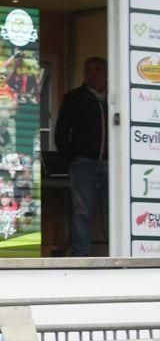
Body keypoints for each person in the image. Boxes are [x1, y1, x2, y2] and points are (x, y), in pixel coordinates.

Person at [55, 56, 109, 257]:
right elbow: (61, 132)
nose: (92, 74)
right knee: (82, 212)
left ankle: (120, 252)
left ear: (107, 73)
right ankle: (81, 256)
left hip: (113, 164)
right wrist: (71, 158)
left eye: (97, 70)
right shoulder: (74, 98)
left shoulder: (118, 96)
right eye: (87, 70)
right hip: (83, 164)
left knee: (114, 210)